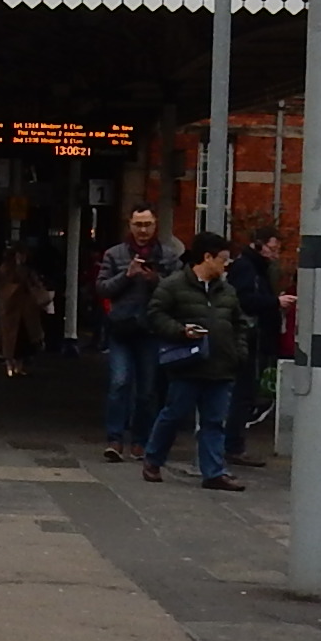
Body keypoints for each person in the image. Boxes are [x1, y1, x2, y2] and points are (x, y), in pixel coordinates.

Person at [138, 232, 246, 489]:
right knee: (173, 414)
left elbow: (239, 324)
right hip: (187, 364)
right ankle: (153, 459)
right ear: (207, 257)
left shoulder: (227, 291)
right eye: (222, 259)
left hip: (221, 366)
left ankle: (214, 472)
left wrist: (239, 352)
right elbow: (155, 314)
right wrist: (180, 331)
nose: (225, 265)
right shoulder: (174, 285)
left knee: (214, 421)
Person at [92, 204, 179, 460]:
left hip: (151, 329)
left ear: (155, 225)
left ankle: (141, 439)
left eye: (147, 225)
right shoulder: (114, 254)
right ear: (129, 225)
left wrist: (156, 280)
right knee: (119, 382)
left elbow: (179, 290)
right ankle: (115, 438)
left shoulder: (169, 255)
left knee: (148, 389)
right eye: (138, 225)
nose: (143, 230)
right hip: (122, 327)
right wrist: (127, 276)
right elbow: (101, 288)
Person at [227, 227, 286, 460]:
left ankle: (234, 443)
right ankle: (233, 445)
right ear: (259, 245)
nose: (275, 255)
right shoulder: (246, 268)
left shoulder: (256, 268)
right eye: (272, 249)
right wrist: (275, 302)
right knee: (243, 393)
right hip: (250, 337)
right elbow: (245, 300)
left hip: (257, 337)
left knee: (246, 393)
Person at [0, 242, 47, 378]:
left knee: (22, 340)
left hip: (24, 311)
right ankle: (10, 364)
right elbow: (9, 285)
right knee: (10, 339)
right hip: (13, 309)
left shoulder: (25, 270)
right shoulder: (7, 269)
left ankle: (18, 365)